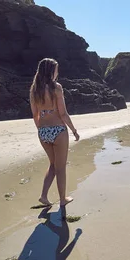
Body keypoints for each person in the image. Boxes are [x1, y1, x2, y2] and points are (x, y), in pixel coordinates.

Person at [30, 58, 80, 207]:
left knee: (52, 164)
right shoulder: (56, 88)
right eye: (56, 69)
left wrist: (41, 129)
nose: (58, 72)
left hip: (43, 131)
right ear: (52, 71)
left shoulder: (34, 89)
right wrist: (74, 130)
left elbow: (35, 115)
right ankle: (63, 199)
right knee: (60, 167)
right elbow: (63, 113)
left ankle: (44, 196)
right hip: (58, 130)